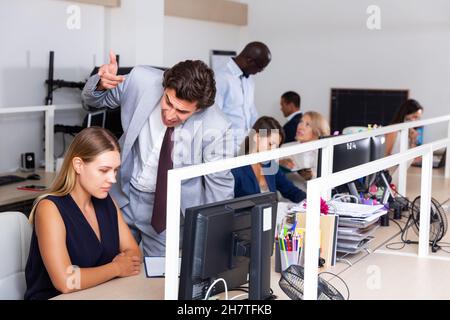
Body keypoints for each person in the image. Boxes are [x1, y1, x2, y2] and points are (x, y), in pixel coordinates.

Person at [82, 52, 234, 257]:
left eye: (182, 112)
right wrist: (100, 84)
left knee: (159, 283)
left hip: (166, 213)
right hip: (122, 197)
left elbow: (219, 188)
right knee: (108, 266)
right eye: (168, 102)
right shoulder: (140, 80)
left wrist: (215, 241)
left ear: (199, 109)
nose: (170, 115)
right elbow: (92, 102)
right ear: (164, 87)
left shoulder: (218, 126)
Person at [24, 127, 141, 300]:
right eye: (104, 170)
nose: (113, 179)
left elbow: (133, 253)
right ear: (78, 165)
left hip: (99, 294)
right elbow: (66, 281)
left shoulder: (107, 202)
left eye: (115, 170)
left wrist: (121, 265)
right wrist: (116, 268)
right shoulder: (49, 209)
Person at [232, 117, 306, 203]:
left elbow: (291, 191)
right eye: (270, 144)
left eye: (276, 147)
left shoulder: (270, 164)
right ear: (257, 137)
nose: (273, 151)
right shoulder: (236, 168)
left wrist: (311, 201)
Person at [214, 42, 272, 152]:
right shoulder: (220, 78)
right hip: (227, 147)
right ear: (250, 61)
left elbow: (252, 112)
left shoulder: (250, 81)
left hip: (247, 145)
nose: (259, 72)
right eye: (260, 68)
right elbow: (215, 117)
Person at [280, 111, 330, 182]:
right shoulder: (285, 148)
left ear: (317, 131)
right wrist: (280, 163)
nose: (300, 127)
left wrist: (312, 175)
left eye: (307, 124)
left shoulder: (325, 152)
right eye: (301, 122)